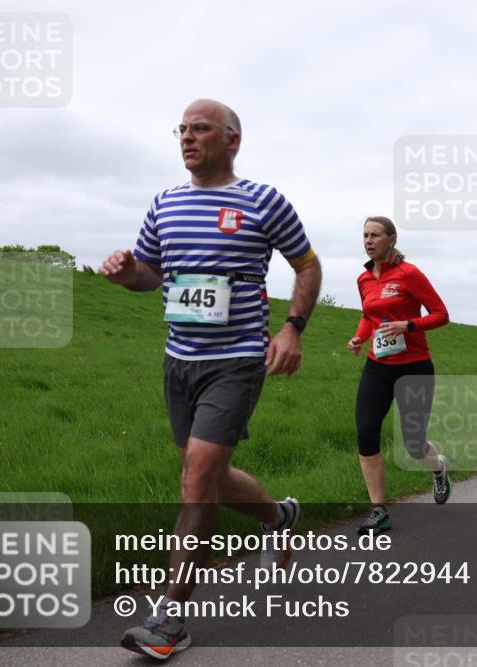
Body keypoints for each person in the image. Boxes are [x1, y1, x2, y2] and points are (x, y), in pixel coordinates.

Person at [102, 99, 322, 660]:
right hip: (180, 359)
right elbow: (152, 274)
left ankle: (168, 619)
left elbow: (307, 265)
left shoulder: (263, 201)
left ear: (232, 140)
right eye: (182, 130)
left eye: (200, 130)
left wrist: (293, 329)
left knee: (198, 477)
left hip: (238, 358)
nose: (187, 138)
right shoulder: (165, 202)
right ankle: (279, 518)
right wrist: (130, 274)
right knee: (207, 473)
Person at [347, 216, 451, 535]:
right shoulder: (364, 279)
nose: (368, 240)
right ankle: (379, 510)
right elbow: (369, 315)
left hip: (414, 366)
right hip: (377, 366)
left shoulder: (410, 274)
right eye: (365, 235)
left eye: (375, 235)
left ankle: (439, 469)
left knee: (413, 442)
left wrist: (408, 325)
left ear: (392, 239)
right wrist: (359, 337)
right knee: (366, 432)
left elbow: (441, 315)